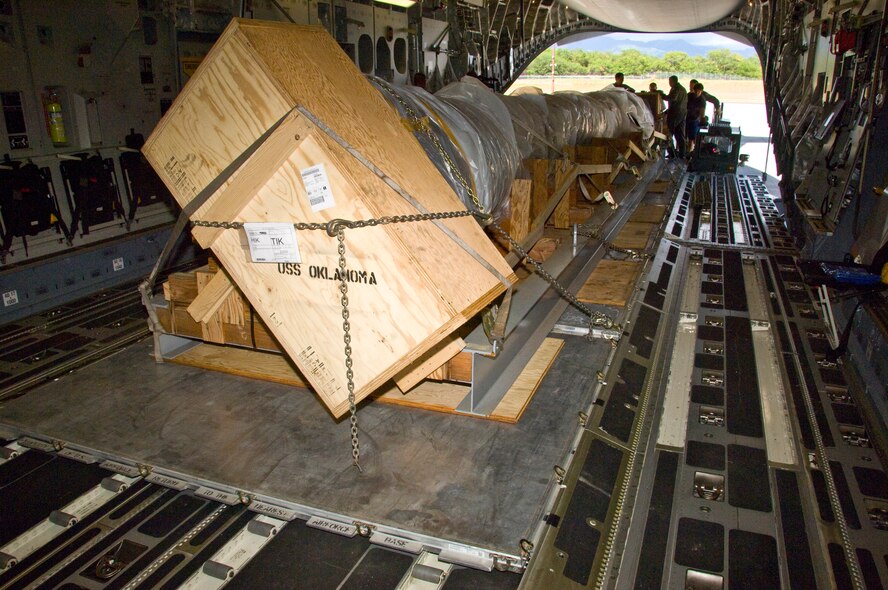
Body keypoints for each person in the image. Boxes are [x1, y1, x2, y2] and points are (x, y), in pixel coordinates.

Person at [664, 75, 688, 158]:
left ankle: (672, 153)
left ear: (672, 81)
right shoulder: (683, 89)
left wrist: (663, 96)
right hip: (682, 114)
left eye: (670, 82)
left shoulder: (676, 88)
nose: (669, 83)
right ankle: (682, 154)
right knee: (680, 135)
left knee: (669, 133)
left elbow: (672, 99)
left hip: (674, 114)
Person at [686, 83, 706, 154]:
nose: (697, 93)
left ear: (701, 91)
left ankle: (693, 151)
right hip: (686, 118)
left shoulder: (702, 100)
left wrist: (702, 119)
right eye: (696, 91)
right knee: (684, 136)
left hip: (695, 120)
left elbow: (702, 112)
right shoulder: (689, 96)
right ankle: (685, 151)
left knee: (693, 137)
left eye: (699, 91)